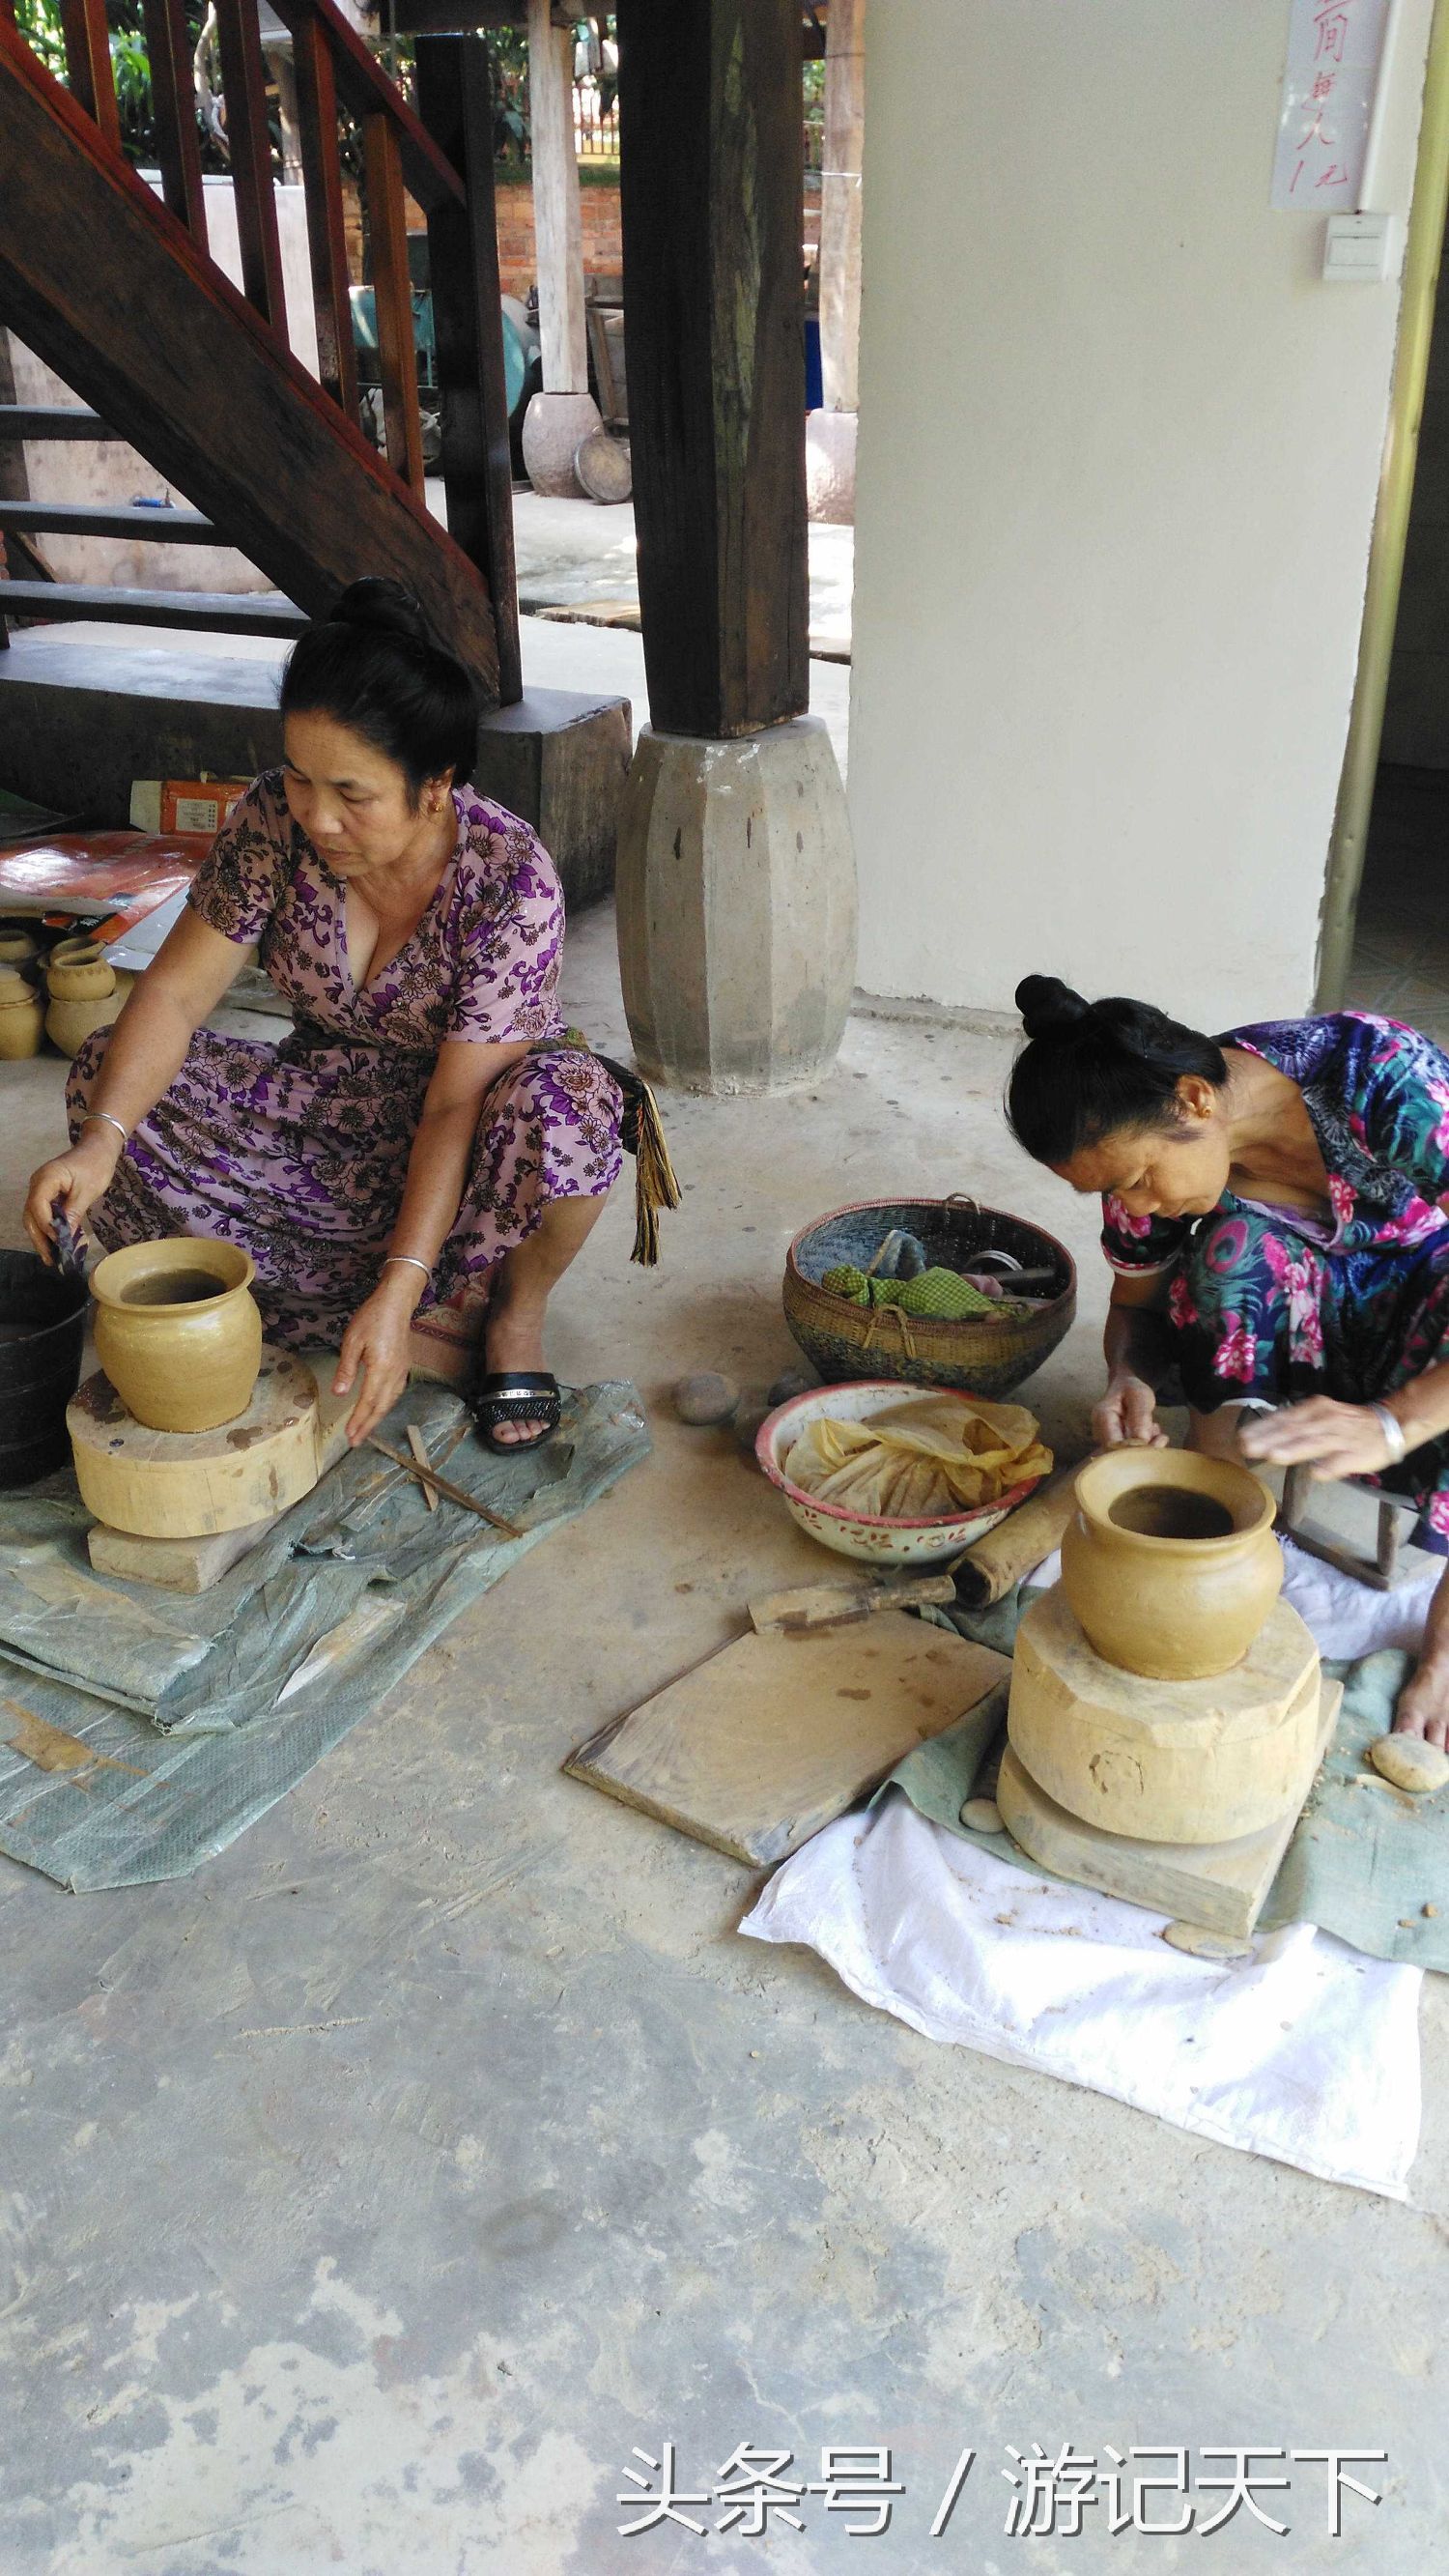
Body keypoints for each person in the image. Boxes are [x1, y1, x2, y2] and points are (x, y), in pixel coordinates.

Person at [23, 579, 632, 1455]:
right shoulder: (273, 819)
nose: (317, 814)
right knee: (105, 1076)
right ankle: (385, 1301)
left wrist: (402, 1276)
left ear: (435, 787)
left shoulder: (510, 881)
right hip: (323, 1105)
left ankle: (503, 1312)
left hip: (463, 1131)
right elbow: (176, 995)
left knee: (572, 1107)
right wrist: (102, 1142)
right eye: (301, 777)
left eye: (351, 792)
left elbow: (453, 1106)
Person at [1006, 974, 1449, 1751]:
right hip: (1311, 1314)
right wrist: (1128, 1375)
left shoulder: (1382, 1078)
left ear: (1195, 1100)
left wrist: (1394, 1422)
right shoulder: (1137, 1145)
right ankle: (1222, 1528)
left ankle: (1442, 1652)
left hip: (1425, 1307)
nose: (1133, 1206)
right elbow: (1137, 1306)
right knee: (1229, 1252)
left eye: (1137, 1181)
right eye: (1114, 1191)